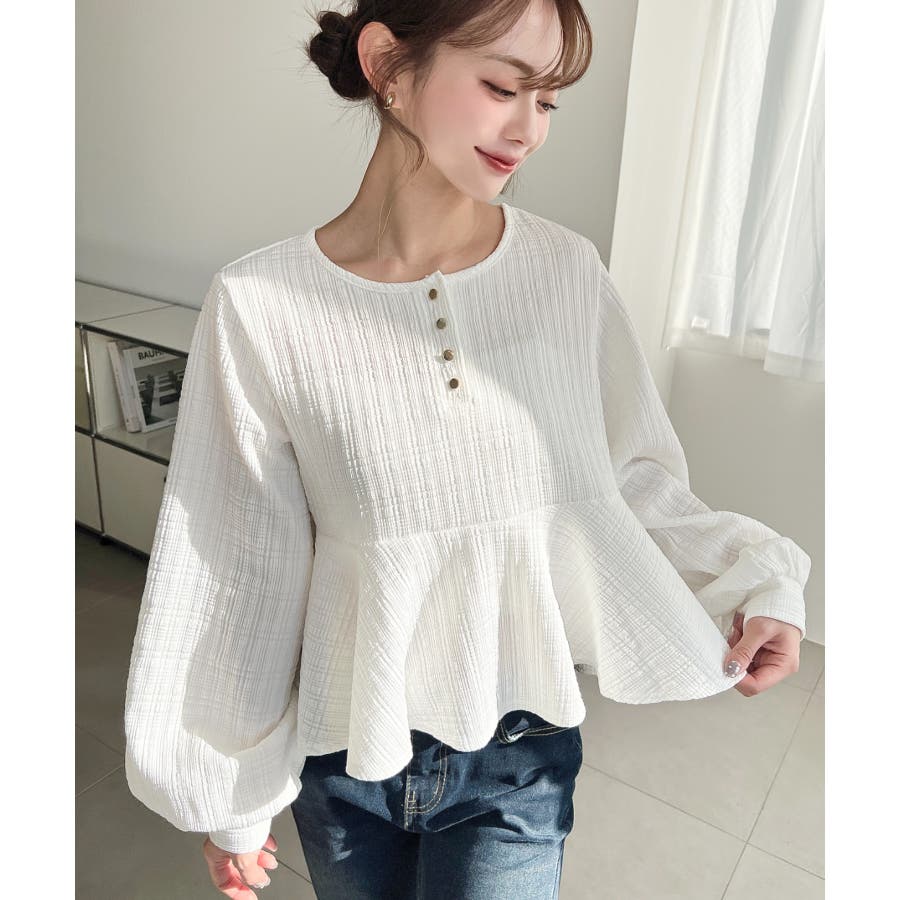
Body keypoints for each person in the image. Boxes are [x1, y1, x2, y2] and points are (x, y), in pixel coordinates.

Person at [122, 0, 811, 897]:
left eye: (548, 100)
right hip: (347, 754)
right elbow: (239, 563)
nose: (529, 129)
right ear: (388, 66)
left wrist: (754, 581)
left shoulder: (565, 273)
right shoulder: (260, 305)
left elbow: (629, 479)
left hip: (519, 754)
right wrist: (233, 798)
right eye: (501, 86)